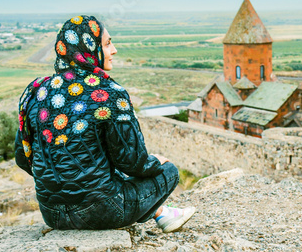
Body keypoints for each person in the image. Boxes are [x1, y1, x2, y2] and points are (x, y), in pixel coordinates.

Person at [15, 15, 195, 231]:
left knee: (105, 170)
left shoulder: (36, 91)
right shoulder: (108, 93)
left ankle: (163, 214)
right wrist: (156, 162)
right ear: (89, 49)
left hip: (51, 214)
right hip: (102, 211)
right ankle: (161, 212)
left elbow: (23, 158)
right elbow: (131, 162)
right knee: (169, 171)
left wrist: (60, 185)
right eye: (108, 44)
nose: (114, 50)